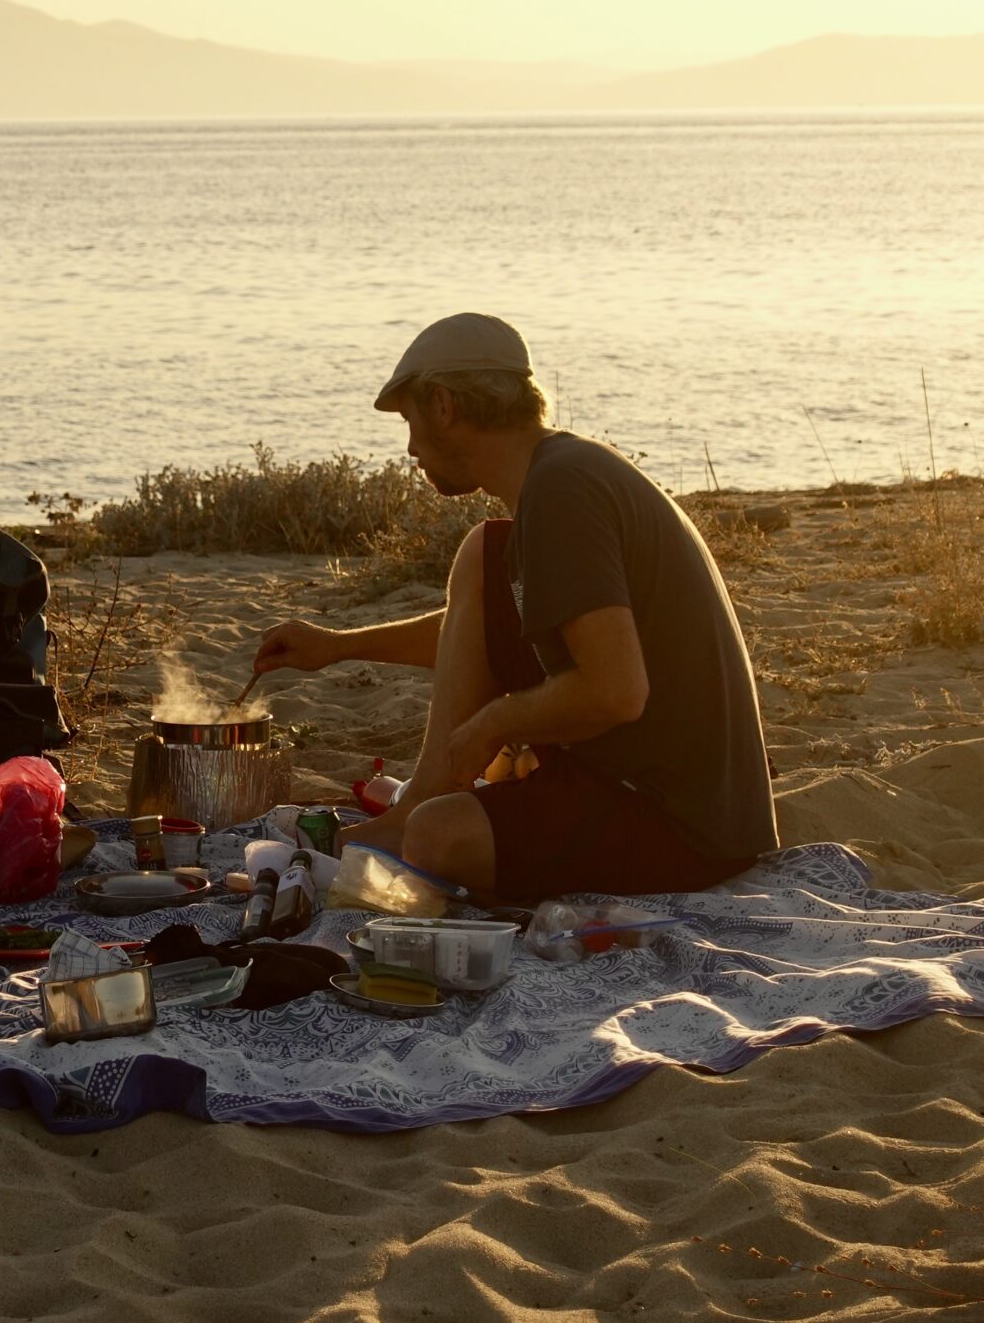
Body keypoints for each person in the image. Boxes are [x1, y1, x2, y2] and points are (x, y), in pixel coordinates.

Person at [254, 313, 777, 904]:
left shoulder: (563, 491)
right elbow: (472, 638)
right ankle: (416, 801)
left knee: (440, 837)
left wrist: (495, 721)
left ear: (444, 405)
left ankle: (416, 817)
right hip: (648, 781)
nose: (410, 448)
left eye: (410, 421)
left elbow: (616, 692)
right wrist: (338, 646)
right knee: (483, 553)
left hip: (681, 824)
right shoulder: (557, 475)